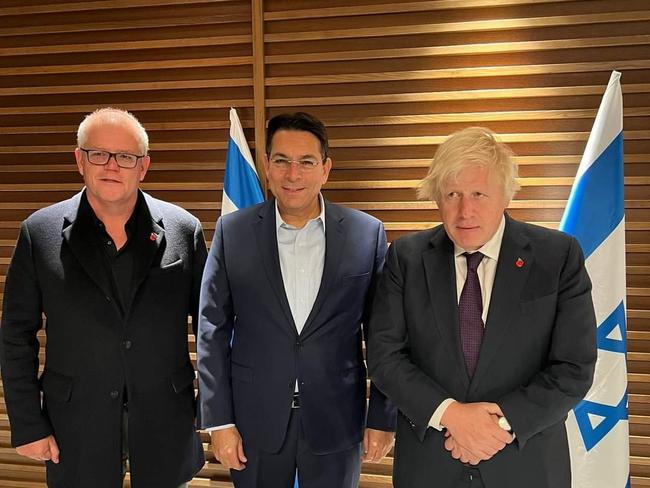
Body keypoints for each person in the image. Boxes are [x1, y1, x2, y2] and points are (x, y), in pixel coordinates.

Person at [367, 127, 597, 488]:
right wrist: (452, 416)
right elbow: (385, 357)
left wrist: (496, 426)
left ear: (506, 195)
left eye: (478, 193)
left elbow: (573, 368)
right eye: (452, 194)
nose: (464, 211)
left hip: (525, 465)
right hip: (430, 466)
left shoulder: (558, 256)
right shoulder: (406, 258)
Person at [0, 107, 206, 488]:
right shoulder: (38, 232)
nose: (112, 166)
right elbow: (16, 335)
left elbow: (211, 329)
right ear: (80, 159)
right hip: (75, 423)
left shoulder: (184, 229)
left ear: (143, 166)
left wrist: (215, 413)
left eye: (126, 157)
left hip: (166, 419)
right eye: (99, 153)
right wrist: (28, 424)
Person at [196, 112, 396, 488]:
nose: (293, 174)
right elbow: (212, 329)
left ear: (325, 169)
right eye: (281, 161)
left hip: (338, 418)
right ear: (267, 167)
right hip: (254, 420)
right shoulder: (233, 232)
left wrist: (383, 417)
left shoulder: (366, 234)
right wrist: (219, 421)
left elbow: (385, 335)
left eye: (306, 162)